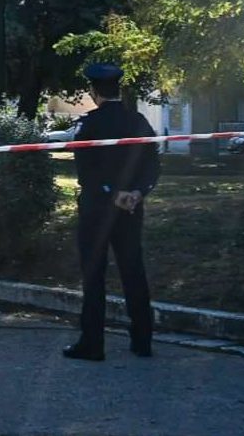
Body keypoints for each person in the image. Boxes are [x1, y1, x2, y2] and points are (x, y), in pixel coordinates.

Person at [64, 62, 161, 362]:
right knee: (133, 270)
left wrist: (112, 192)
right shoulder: (138, 121)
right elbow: (152, 164)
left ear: (94, 92)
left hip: (97, 209)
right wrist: (138, 192)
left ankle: (93, 343)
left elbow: (87, 170)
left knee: (94, 275)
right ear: (119, 88)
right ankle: (143, 340)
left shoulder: (89, 124)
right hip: (131, 208)